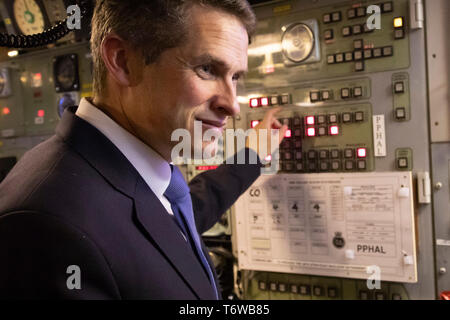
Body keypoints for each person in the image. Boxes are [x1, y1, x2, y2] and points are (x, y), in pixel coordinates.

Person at [0, 0, 286, 299]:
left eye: (235, 77)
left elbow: (168, 225)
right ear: (123, 61)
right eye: (207, 69)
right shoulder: (46, 224)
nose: (233, 104)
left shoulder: (120, 171)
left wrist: (252, 156)